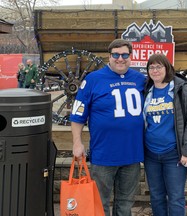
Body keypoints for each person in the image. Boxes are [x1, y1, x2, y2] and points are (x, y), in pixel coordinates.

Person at [70, 39, 146, 216]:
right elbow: (78, 115)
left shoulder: (140, 80)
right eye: (116, 55)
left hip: (132, 154)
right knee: (99, 203)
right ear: (109, 56)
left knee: (125, 204)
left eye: (125, 55)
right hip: (104, 155)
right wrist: (77, 143)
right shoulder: (93, 79)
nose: (120, 59)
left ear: (131, 56)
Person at [143, 54, 187, 216]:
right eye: (151, 67)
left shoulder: (180, 89)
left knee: (175, 197)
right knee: (156, 196)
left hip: (174, 154)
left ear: (167, 68)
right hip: (151, 154)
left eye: (159, 66)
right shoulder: (146, 91)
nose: (155, 70)